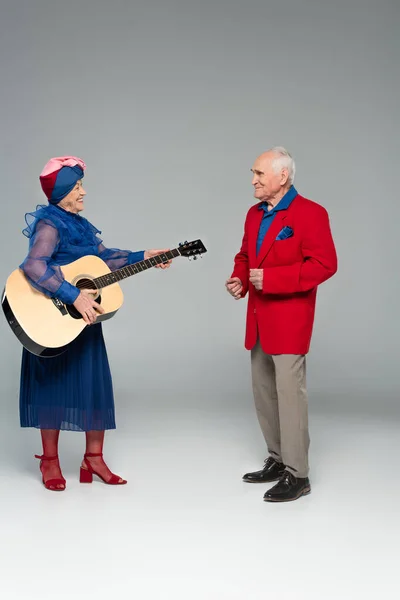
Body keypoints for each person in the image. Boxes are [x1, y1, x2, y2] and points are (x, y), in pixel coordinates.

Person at [19, 156, 171, 491]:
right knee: (52, 385)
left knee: (93, 384)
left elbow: (104, 259)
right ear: (62, 193)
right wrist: (73, 295)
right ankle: (50, 461)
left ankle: (94, 458)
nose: (84, 192)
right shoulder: (50, 225)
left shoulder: (81, 224)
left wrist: (144, 256)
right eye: (77, 187)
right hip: (55, 318)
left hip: (83, 321)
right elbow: (33, 266)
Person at [226, 147, 337, 502]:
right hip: (258, 319)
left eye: (259, 173)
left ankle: (298, 474)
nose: (253, 180)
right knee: (264, 393)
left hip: (289, 320)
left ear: (282, 176)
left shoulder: (311, 213)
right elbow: (245, 255)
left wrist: (271, 279)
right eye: (253, 173)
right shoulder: (253, 214)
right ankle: (277, 459)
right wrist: (239, 279)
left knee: (290, 397)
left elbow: (325, 264)